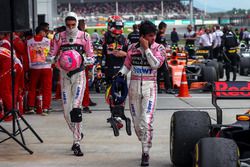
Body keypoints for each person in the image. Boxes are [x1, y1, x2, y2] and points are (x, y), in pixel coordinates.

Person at [118, 20, 165, 166]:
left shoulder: (160, 48)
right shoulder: (132, 48)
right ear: (142, 36)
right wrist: (119, 75)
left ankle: (145, 152)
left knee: (146, 120)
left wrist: (147, 49)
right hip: (133, 88)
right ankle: (144, 141)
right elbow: (126, 66)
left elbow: (156, 65)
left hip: (150, 88)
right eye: (150, 36)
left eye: (154, 35)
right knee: (137, 124)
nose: (153, 39)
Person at [48, 12, 94, 156]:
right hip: (64, 76)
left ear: (76, 23)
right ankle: (78, 133)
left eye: (73, 25)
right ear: (65, 24)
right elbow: (50, 56)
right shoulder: (58, 37)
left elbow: (92, 57)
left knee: (76, 108)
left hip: (79, 75)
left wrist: (81, 60)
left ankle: (76, 143)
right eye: (68, 25)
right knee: (66, 112)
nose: (70, 27)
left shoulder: (85, 36)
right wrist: (56, 61)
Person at [26, 26, 52, 116]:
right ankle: (45, 108)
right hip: (46, 67)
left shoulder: (29, 41)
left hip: (34, 67)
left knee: (32, 87)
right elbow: (52, 53)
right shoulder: (48, 41)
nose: (46, 33)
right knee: (47, 88)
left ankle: (31, 107)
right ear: (41, 32)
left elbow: (27, 54)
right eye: (45, 31)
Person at [78, 19, 97, 114]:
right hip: (78, 65)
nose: (84, 25)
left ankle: (85, 103)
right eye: (83, 24)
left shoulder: (84, 36)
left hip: (82, 64)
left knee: (84, 86)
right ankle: (82, 104)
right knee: (82, 86)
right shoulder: (82, 36)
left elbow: (89, 53)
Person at [155, 22, 173, 94]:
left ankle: (158, 88)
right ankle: (168, 88)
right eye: (165, 28)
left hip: (156, 56)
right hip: (161, 56)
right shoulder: (161, 34)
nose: (166, 29)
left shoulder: (156, 34)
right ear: (163, 28)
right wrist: (167, 50)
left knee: (158, 73)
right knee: (166, 72)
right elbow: (162, 46)